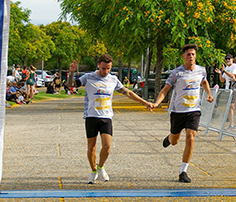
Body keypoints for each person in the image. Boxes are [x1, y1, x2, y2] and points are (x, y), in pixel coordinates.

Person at [67, 54, 153, 184]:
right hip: (91, 116)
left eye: (108, 68)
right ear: (98, 66)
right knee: (92, 146)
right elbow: (71, 85)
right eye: (103, 68)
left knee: (107, 146)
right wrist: (71, 73)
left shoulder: (113, 79)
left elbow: (128, 93)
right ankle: (93, 171)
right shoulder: (89, 77)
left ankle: (101, 166)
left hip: (106, 117)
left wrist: (144, 102)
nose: (105, 71)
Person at [149, 44, 214, 183]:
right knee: (174, 141)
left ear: (196, 56)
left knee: (191, 138)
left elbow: (204, 82)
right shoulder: (176, 73)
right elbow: (165, 89)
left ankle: (183, 172)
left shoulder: (201, 70)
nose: (191, 56)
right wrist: (157, 103)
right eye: (188, 54)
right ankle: (169, 138)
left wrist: (208, 93)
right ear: (183, 56)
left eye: (193, 54)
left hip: (194, 111)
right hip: (178, 111)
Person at [215, 54, 236, 130]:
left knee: (233, 107)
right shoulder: (226, 68)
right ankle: (231, 124)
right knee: (230, 107)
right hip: (227, 89)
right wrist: (220, 73)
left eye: (229, 59)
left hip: (233, 88)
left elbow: (232, 76)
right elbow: (222, 80)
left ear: (232, 59)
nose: (227, 60)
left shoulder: (235, 66)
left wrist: (224, 71)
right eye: (226, 59)